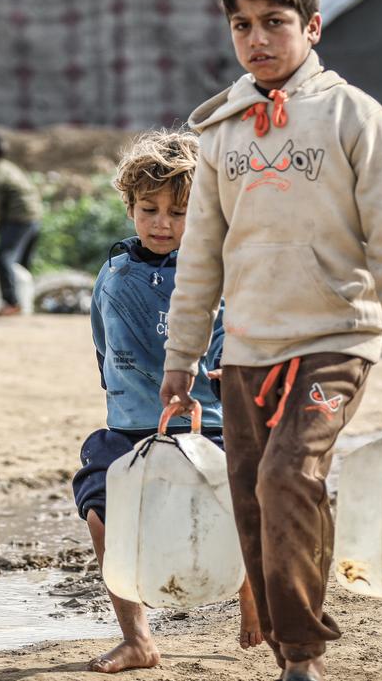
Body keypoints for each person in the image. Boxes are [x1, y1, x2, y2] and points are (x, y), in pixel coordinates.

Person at [159, 0, 382, 681]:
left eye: (275, 23)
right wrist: (180, 360)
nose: (257, 39)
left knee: (287, 473)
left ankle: (302, 659)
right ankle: (290, 645)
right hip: (248, 347)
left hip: (337, 339)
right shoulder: (221, 132)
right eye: (242, 25)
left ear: (312, 27)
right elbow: (201, 257)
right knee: (256, 495)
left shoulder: (354, 116)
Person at [71, 130, 262, 673]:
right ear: (129, 206)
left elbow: (234, 340)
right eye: (149, 209)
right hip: (133, 428)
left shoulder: (217, 274)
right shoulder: (112, 278)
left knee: (242, 506)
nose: (162, 223)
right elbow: (102, 349)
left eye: (179, 212)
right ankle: (137, 638)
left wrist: (229, 378)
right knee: (99, 502)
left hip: (211, 424)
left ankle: (251, 596)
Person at [0, 128, 43, 317]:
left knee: (3, 257)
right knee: (21, 264)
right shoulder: (8, 167)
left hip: (19, 219)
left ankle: (11, 302)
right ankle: (24, 303)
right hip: (34, 218)